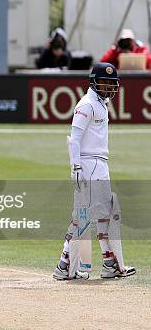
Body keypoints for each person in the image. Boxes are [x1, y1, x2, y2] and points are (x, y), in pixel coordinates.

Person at [52, 63, 136, 280]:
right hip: (88, 166)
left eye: (111, 83)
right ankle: (64, 266)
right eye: (104, 82)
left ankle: (109, 263)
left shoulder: (101, 104)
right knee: (83, 217)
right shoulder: (87, 104)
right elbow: (75, 139)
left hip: (100, 164)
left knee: (104, 215)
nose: (108, 86)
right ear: (93, 82)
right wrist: (76, 167)